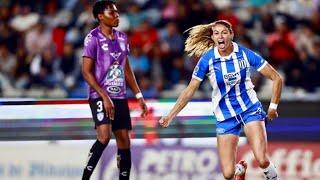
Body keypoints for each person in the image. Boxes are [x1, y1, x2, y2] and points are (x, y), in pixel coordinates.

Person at [159, 20, 282, 180]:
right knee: (228, 174)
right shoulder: (207, 60)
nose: (220, 36)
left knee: (262, 159)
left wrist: (273, 107)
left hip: (250, 109)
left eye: (224, 32)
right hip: (225, 117)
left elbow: (276, 78)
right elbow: (190, 90)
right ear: (212, 37)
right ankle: (240, 170)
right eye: (216, 33)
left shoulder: (245, 54)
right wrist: (170, 115)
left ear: (231, 34)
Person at [81, 1, 148, 179]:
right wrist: (103, 96)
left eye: (118, 12)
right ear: (100, 17)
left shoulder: (122, 38)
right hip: (100, 95)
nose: (117, 15)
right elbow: (86, 72)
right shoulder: (92, 38)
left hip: (120, 95)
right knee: (104, 137)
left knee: (125, 141)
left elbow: (126, 68)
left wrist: (139, 95)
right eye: (112, 13)